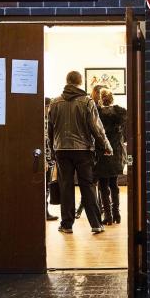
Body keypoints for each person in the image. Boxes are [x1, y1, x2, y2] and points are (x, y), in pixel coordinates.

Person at [48, 71, 112, 234]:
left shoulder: (55, 102)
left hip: (61, 149)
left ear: (67, 81)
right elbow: (96, 128)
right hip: (83, 150)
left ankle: (67, 225)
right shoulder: (87, 101)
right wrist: (106, 145)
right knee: (87, 186)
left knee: (66, 186)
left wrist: (53, 150)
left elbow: (50, 129)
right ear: (80, 82)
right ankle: (96, 224)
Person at [94, 88, 127, 225]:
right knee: (114, 184)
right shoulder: (120, 113)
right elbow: (125, 133)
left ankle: (107, 216)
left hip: (102, 152)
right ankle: (117, 214)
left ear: (101, 99)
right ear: (112, 98)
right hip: (116, 152)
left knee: (103, 186)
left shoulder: (98, 113)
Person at [75, 84, 105, 221]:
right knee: (90, 183)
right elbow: (96, 130)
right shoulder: (93, 107)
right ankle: (90, 211)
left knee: (90, 183)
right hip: (96, 149)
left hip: (95, 149)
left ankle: (83, 209)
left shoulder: (92, 106)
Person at [44, 97, 58, 221]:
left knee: (47, 187)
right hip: (45, 160)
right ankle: (44, 212)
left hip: (49, 159)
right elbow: (44, 142)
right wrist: (45, 160)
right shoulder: (43, 121)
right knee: (45, 187)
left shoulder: (48, 120)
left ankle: (45, 211)